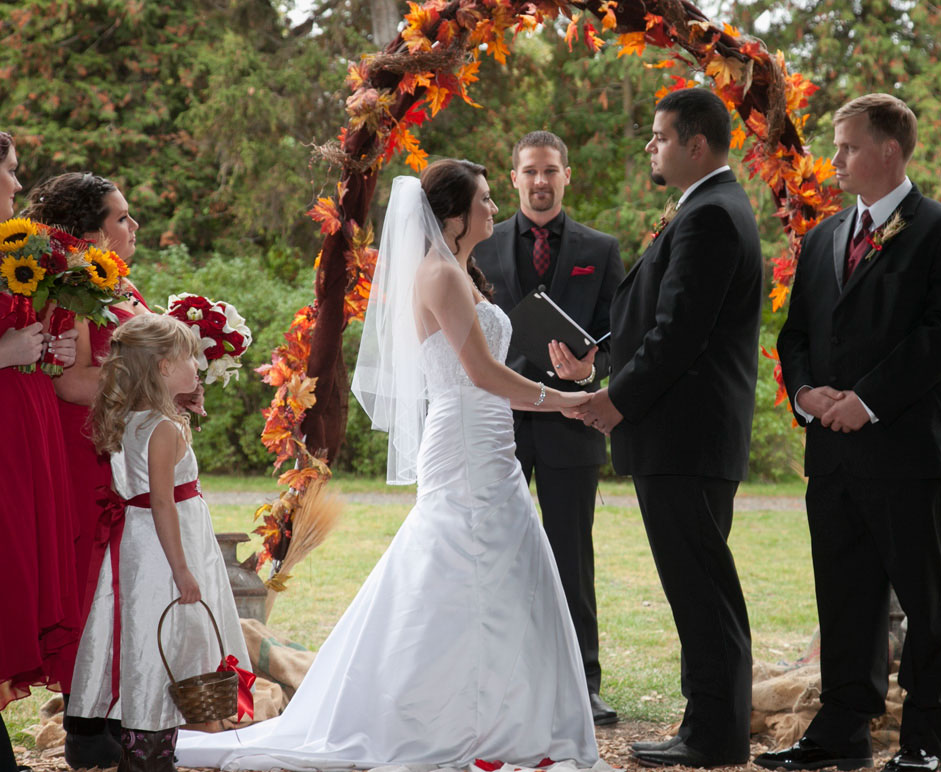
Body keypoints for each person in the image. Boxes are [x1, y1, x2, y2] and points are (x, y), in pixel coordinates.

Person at [176, 160, 604, 772]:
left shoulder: (462, 272)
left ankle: (498, 718)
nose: (492, 209)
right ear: (453, 217)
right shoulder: (441, 276)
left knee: (501, 574)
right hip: (464, 444)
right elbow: (481, 375)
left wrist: (560, 384)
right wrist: (564, 401)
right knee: (455, 570)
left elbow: (486, 370)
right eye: (483, 201)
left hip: (489, 444)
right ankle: (439, 716)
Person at [764, 93, 941, 772]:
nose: (835, 160)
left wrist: (868, 400)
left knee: (923, 600)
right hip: (830, 453)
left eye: (848, 146)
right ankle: (843, 730)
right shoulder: (828, 234)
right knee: (844, 595)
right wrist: (804, 393)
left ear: (890, 151)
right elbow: (796, 332)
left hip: (903, 450)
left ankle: (924, 738)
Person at [572, 88, 762, 768]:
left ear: (696, 144)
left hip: (685, 436)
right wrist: (601, 349)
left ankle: (714, 736)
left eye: (659, 136)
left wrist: (614, 400)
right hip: (686, 435)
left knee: (703, 589)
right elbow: (661, 314)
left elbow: (681, 333)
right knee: (697, 587)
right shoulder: (703, 208)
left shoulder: (710, 216)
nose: (650, 147)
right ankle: (706, 725)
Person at [473, 131, 624, 726]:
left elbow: (618, 332)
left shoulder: (600, 248)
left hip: (572, 421)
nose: (541, 181)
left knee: (571, 554)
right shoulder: (479, 245)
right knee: (496, 551)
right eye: (530, 171)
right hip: (499, 420)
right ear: (513, 178)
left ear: (567, 176)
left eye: (551, 171)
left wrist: (593, 366)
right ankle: (497, 675)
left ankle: (583, 679)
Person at [67, 313, 249, 772]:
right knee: (165, 638)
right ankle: (150, 755)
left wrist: (185, 409)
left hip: (139, 544)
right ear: (165, 367)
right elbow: (164, 503)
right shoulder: (164, 428)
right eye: (189, 356)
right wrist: (183, 570)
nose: (197, 364)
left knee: (146, 636)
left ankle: (143, 747)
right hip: (165, 548)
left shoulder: (138, 417)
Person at [24, 172, 156, 769]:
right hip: (87, 453)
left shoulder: (118, 284)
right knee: (88, 579)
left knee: (123, 581)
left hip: (128, 449)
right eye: (122, 217)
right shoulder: (70, 287)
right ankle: (84, 719)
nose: (133, 226)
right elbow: (71, 380)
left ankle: (115, 706)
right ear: (89, 229)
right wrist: (152, 387)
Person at [0, 130, 80, 772]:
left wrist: (41, 353)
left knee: (16, 571)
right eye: (12, 171)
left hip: (23, 432)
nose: (19, 187)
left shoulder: (12, 252)